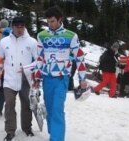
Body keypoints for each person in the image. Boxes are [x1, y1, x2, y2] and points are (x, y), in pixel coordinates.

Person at [34, 6, 88, 141]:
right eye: (48, 22)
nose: (50, 24)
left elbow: (79, 57)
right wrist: (36, 76)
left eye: (52, 21)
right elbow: (39, 58)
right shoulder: (42, 36)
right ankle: (54, 133)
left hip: (61, 78)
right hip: (47, 78)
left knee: (57, 109)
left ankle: (56, 138)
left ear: (60, 20)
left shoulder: (71, 36)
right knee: (50, 110)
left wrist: (82, 78)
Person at [0, 16, 37, 141]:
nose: (19, 29)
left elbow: (39, 62)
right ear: (12, 27)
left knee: (27, 105)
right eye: (17, 27)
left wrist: (28, 69)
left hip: (26, 79)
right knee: (9, 105)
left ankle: (27, 128)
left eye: (22, 26)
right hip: (9, 78)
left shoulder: (32, 42)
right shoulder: (4, 41)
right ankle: (10, 131)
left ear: (24, 27)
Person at [0, 19, 12, 116]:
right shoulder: (13, 34)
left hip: (1, 64)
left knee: (1, 88)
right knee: (10, 88)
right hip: (11, 66)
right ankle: (8, 109)